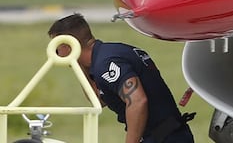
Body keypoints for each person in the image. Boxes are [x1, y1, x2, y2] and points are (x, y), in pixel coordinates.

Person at [48, 13, 195, 143]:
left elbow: (137, 101)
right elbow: (99, 100)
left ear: (68, 46)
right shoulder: (104, 56)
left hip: (164, 137)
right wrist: (77, 63)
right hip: (168, 134)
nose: (56, 54)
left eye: (56, 48)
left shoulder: (106, 63)